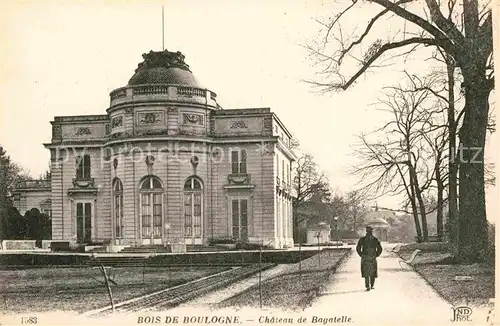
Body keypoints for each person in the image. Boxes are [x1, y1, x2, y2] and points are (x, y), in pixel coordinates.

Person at [356, 225, 383, 291]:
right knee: (372, 272)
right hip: (372, 258)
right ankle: (371, 285)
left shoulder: (362, 239)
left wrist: (361, 255)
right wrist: (376, 255)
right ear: (372, 232)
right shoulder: (375, 240)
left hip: (365, 258)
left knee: (366, 272)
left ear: (366, 232)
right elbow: (380, 249)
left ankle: (368, 285)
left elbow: (358, 248)